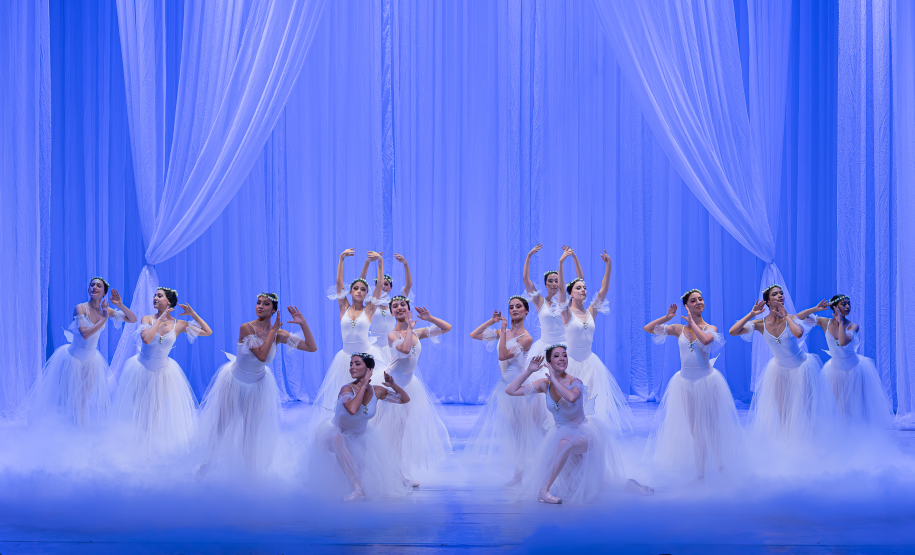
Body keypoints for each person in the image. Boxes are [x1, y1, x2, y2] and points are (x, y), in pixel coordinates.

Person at [506, 347, 653, 505]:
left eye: (564, 355)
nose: (562, 358)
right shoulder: (544, 384)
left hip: (584, 433)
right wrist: (529, 371)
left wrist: (554, 380)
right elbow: (511, 390)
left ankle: (543, 491)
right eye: (556, 356)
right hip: (561, 432)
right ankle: (628, 485)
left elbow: (571, 398)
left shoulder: (575, 382)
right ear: (549, 362)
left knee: (565, 443)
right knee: (590, 484)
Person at [196, 295, 317, 479]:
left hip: (258, 386)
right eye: (258, 303)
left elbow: (311, 347)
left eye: (266, 304)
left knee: (251, 432)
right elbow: (261, 355)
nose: (260, 306)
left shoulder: (279, 335)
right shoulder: (246, 328)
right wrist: (273, 331)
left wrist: (303, 324)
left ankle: (249, 475)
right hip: (234, 382)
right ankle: (205, 465)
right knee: (221, 426)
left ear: (274, 310)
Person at [643, 289, 746, 479]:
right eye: (693, 300)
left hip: (707, 381)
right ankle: (700, 475)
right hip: (685, 383)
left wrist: (692, 323)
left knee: (711, 427)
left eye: (700, 299)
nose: (699, 302)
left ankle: (720, 465)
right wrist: (666, 318)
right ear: (686, 306)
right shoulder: (678, 329)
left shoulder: (710, 328)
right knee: (695, 430)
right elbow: (648, 328)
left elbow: (706, 341)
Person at [729, 284, 836, 442]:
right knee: (782, 411)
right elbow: (733, 331)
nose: (780, 296)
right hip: (779, 370)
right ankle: (786, 443)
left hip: (801, 367)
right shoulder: (760, 324)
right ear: (767, 301)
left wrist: (787, 316)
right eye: (775, 294)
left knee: (805, 409)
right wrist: (751, 314)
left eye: (781, 293)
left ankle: (809, 442)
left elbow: (798, 333)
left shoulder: (790, 318)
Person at [25, 277, 137, 428]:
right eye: (92, 285)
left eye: (98, 286)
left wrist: (120, 305)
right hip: (73, 358)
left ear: (104, 293)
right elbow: (85, 334)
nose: (94, 287)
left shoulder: (106, 310)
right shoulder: (81, 308)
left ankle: (79, 428)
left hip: (90, 359)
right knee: (67, 397)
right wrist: (104, 319)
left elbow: (132, 319)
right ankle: (63, 428)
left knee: (83, 400)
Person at [112, 287, 212, 453]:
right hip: (141, 368)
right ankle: (137, 444)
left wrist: (193, 314)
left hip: (162, 372)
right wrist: (160, 319)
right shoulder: (147, 319)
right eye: (155, 295)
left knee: (154, 411)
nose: (155, 298)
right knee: (139, 408)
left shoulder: (179, 325)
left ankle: (149, 446)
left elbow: (208, 332)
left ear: (169, 302)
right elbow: (146, 339)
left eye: (160, 296)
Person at [464, 298, 547, 487]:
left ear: (526, 311)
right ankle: (519, 474)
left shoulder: (526, 338)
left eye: (519, 306)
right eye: (511, 307)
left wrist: (502, 330)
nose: (514, 309)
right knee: (516, 434)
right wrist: (492, 321)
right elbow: (474, 334)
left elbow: (503, 355)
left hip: (521, 388)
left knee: (536, 431)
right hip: (505, 388)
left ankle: (552, 466)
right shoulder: (503, 332)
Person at [371, 296, 452, 486]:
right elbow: (406, 350)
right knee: (374, 429)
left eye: (403, 305)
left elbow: (447, 328)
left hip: (407, 387)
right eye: (395, 306)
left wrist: (430, 318)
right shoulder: (392, 335)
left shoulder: (417, 332)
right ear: (392, 312)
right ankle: (364, 469)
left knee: (398, 435)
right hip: (389, 385)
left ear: (409, 309)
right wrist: (408, 328)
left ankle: (398, 474)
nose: (399, 307)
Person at [311, 353, 413, 501]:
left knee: (346, 479)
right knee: (338, 438)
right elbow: (352, 410)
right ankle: (358, 489)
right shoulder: (346, 389)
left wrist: (393, 385)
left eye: (357, 364)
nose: (352, 367)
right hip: (336, 431)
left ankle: (355, 490)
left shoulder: (377, 391)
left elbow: (405, 399)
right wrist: (364, 385)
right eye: (351, 364)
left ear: (369, 369)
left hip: (359, 436)